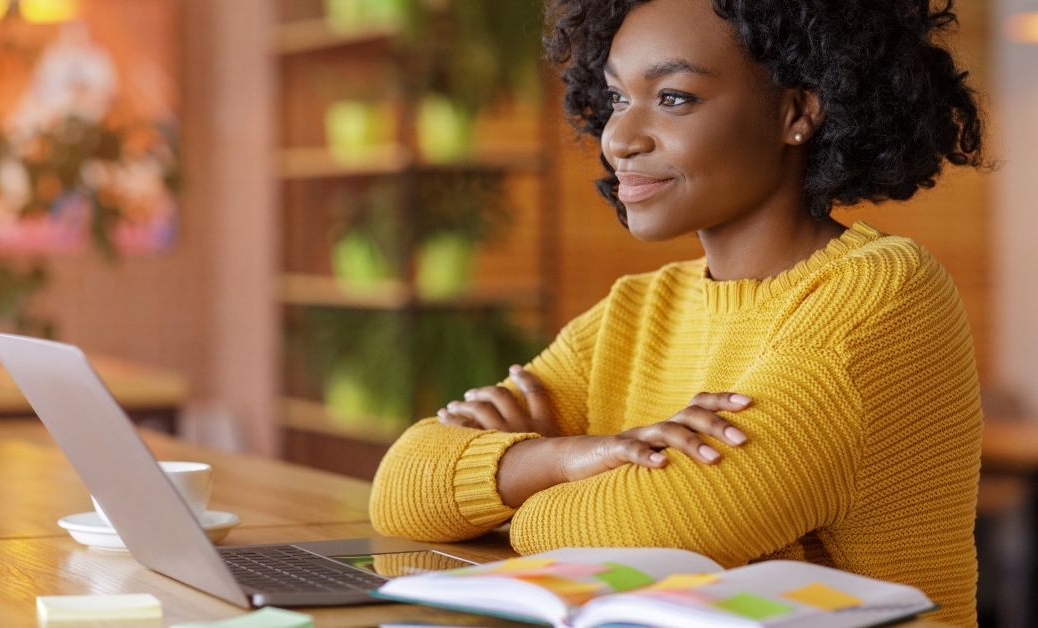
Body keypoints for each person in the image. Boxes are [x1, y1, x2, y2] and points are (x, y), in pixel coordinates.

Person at [369, 0, 985, 625]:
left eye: (673, 98)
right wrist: (566, 456)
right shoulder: (641, 309)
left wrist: (515, 481)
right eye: (615, 98)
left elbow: (646, 528)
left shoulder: (882, 295)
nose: (619, 139)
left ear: (797, 111)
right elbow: (400, 487)